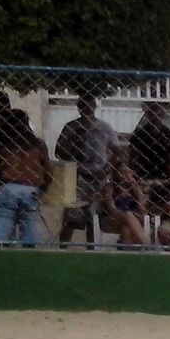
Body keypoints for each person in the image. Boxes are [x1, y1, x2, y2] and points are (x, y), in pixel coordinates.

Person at [55, 94, 119, 246]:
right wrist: (73, 159)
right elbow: (59, 151)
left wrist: (107, 168)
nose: (87, 109)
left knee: (93, 214)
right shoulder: (72, 127)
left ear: (95, 107)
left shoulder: (104, 128)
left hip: (99, 175)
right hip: (79, 176)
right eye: (83, 106)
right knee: (72, 215)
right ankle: (62, 246)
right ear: (79, 108)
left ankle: (92, 246)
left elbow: (116, 150)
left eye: (90, 106)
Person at [0, 126, 49, 246]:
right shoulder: (38, 144)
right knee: (31, 233)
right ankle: (30, 250)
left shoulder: (6, 144)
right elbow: (49, 170)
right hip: (30, 188)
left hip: (9, 186)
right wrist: (44, 188)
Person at [98, 149, 150, 247]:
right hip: (113, 220)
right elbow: (111, 209)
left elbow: (142, 208)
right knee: (128, 215)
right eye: (122, 172)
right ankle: (147, 247)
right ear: (116, 173)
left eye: (127, 172)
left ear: (132, 173)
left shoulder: (135, 187)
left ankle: (127, 255)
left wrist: (136, 188)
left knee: (126, 227)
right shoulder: (110, 187)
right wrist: (125, 215)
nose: (125, 175)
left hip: (134, 222)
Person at [129, 102, 170, 182]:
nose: (156, 117)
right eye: (152, 115)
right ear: (148, 116)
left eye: (159, 115)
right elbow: (133, 155)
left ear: (163, 116)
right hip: (144, 173)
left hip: (165, 173)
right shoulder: (140, 134)